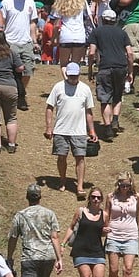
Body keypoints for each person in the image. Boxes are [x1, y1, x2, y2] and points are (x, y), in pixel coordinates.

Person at [7, 183, 63, 277]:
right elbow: (54, 237)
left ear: (27, 197)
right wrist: (59, 258)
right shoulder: (49, 214)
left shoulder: (20, 215)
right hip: (48, 256)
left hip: (30, 257)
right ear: (40, 197)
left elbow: (13, 238)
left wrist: (10, 256)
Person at [45, 62, 98, 197]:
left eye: (76, 75)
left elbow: (88, 111)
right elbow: (50, 107)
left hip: (79, 131)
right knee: (61, 157)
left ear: (79, 74)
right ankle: (62, 181)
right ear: (67, 74)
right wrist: (49, 127)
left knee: (80, 158)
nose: (73, 78)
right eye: (71, 75)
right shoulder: (58, 87)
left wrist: (91, 131)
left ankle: (79, 186)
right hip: (61, 130)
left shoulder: (85, 89)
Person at [86, 7, 131, 140]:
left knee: (105, 98)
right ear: (114, 20)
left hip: (105, 67)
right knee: (117, 95)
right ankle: (115, 119)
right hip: (121, 67)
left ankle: (107, 127)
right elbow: (129, 53)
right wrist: (130, 71)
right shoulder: (122, 33)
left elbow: (92, 52)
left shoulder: (97, 32)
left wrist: (90, 69)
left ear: (102, 19)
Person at [63, 189, 109, 277]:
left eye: (98, 198)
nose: (96, 200)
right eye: (93, 197)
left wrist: (105, 231)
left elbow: (103, 233)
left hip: (97, 250)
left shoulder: (104, 215)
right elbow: (71, 227)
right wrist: (63, 243)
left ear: (101, 200)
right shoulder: (81, 211)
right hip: (81, 249)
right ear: (89, 198)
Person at [105, 172, 139, 277]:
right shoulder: (110, 197)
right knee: (113, 269)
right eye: (122, 185)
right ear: (118, 184)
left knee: (128, 269)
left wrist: (137, 231)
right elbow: (106, 214)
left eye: (127, 185)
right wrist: (105, 229)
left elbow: (137, 215)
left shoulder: (136, 198)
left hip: (131, 236)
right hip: (114, 235)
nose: (125, 188)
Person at [1, 0, 39, 111]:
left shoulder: (30, 2)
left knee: (28, 70)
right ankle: (18, 95)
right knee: (14, 72)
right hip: (11, 42)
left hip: (26, 41)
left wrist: (34, 41)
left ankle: (20, 93)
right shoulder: (6, 3)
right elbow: (2, 23)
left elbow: (32, 23)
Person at [52, 0, 91, 68]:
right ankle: (74, 81)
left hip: (66, 36)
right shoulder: (83, 2)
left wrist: (53, 38)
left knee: (64, 65)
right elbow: (89, 18)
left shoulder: (60, 3)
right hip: (79, 36)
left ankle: (66, 80)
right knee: (75, 64)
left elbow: (57, 25)